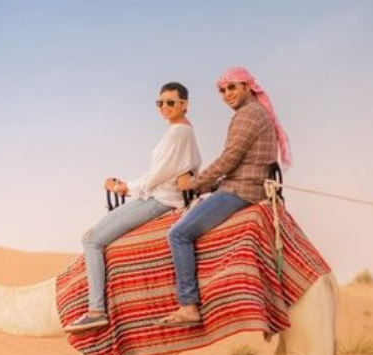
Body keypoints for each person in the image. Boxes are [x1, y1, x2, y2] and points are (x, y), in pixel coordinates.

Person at [64, 82, 202, 333]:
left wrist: (125, 188)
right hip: (155, 195)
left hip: (160, 200)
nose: (164, 107)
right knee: (91, 237)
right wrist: (130, 186)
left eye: (171, 102)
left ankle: (96, 311)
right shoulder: (182, 132)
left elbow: (158, 175)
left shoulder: (178, 133)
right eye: (160, 103)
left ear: (185, 105)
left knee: (92, 241)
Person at [158, 66, 292, 326]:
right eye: (222, 91)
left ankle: (188, 306)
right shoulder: (255, 112)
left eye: (232, 88)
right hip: (242, 184)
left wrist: (194, 185)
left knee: (178, 234)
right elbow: (236, 165)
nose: (227, 94)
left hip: (241, 191)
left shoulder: (248, 115)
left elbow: (229, 159)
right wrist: (207, 186)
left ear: (247, 86)